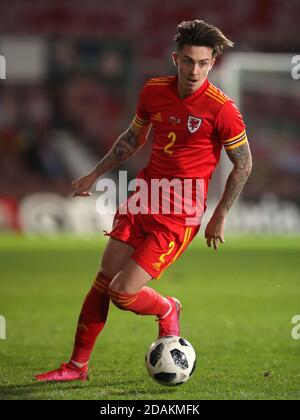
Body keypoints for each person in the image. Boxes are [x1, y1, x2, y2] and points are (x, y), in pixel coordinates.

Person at [36, 19, 252, 382]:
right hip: (143, 199)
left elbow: (244, 163)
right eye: (187, 61)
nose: (194, 70)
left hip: (178, 216)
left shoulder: (222, 109)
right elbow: (131, 139)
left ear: (213, 62)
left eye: (202, 63)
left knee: (122, 293)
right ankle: (76, 367)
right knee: (103, 280)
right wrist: (94, 174)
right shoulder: (153, 91)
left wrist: (220, 214)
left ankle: (168, 308)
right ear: (175, 59)